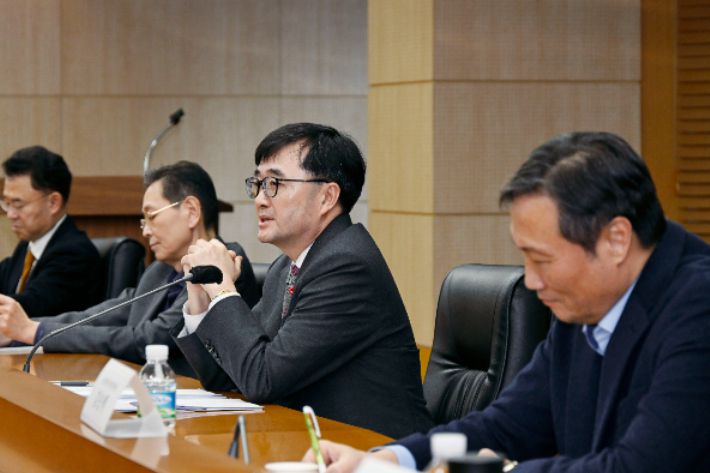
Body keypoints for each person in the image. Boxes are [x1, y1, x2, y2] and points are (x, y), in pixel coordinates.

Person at [305, 132, 710, 473]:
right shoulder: (584, 303)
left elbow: (641, 466)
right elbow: (504, 426)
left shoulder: (698, 307)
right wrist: (390, 459)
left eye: (542, 259)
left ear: (616, 240)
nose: (531, 281)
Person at [173, 123, 433, 438]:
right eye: (258, 183)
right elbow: (228, 376)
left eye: (274, 183)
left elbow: (262, 379)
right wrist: (199, 297)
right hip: (313, 443)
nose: (260, 199)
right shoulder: (287, 266)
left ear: (327, 197)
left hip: (374, 451)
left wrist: (223, 290)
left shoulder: (347, 268)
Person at [0, 161, 259, 374]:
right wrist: (20, 328)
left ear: (191, 211)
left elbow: (150, 339)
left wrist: (35, 331)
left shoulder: (222, 263)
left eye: (151, 216)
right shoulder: (159, 270)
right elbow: (99, 316)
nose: (145, 231)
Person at [0, 146, 102, 318]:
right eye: (7, 203)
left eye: (18, 204)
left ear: (53, 203)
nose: (10, 214)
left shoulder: (75, 254)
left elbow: (28, 306)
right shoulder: (27, 247)